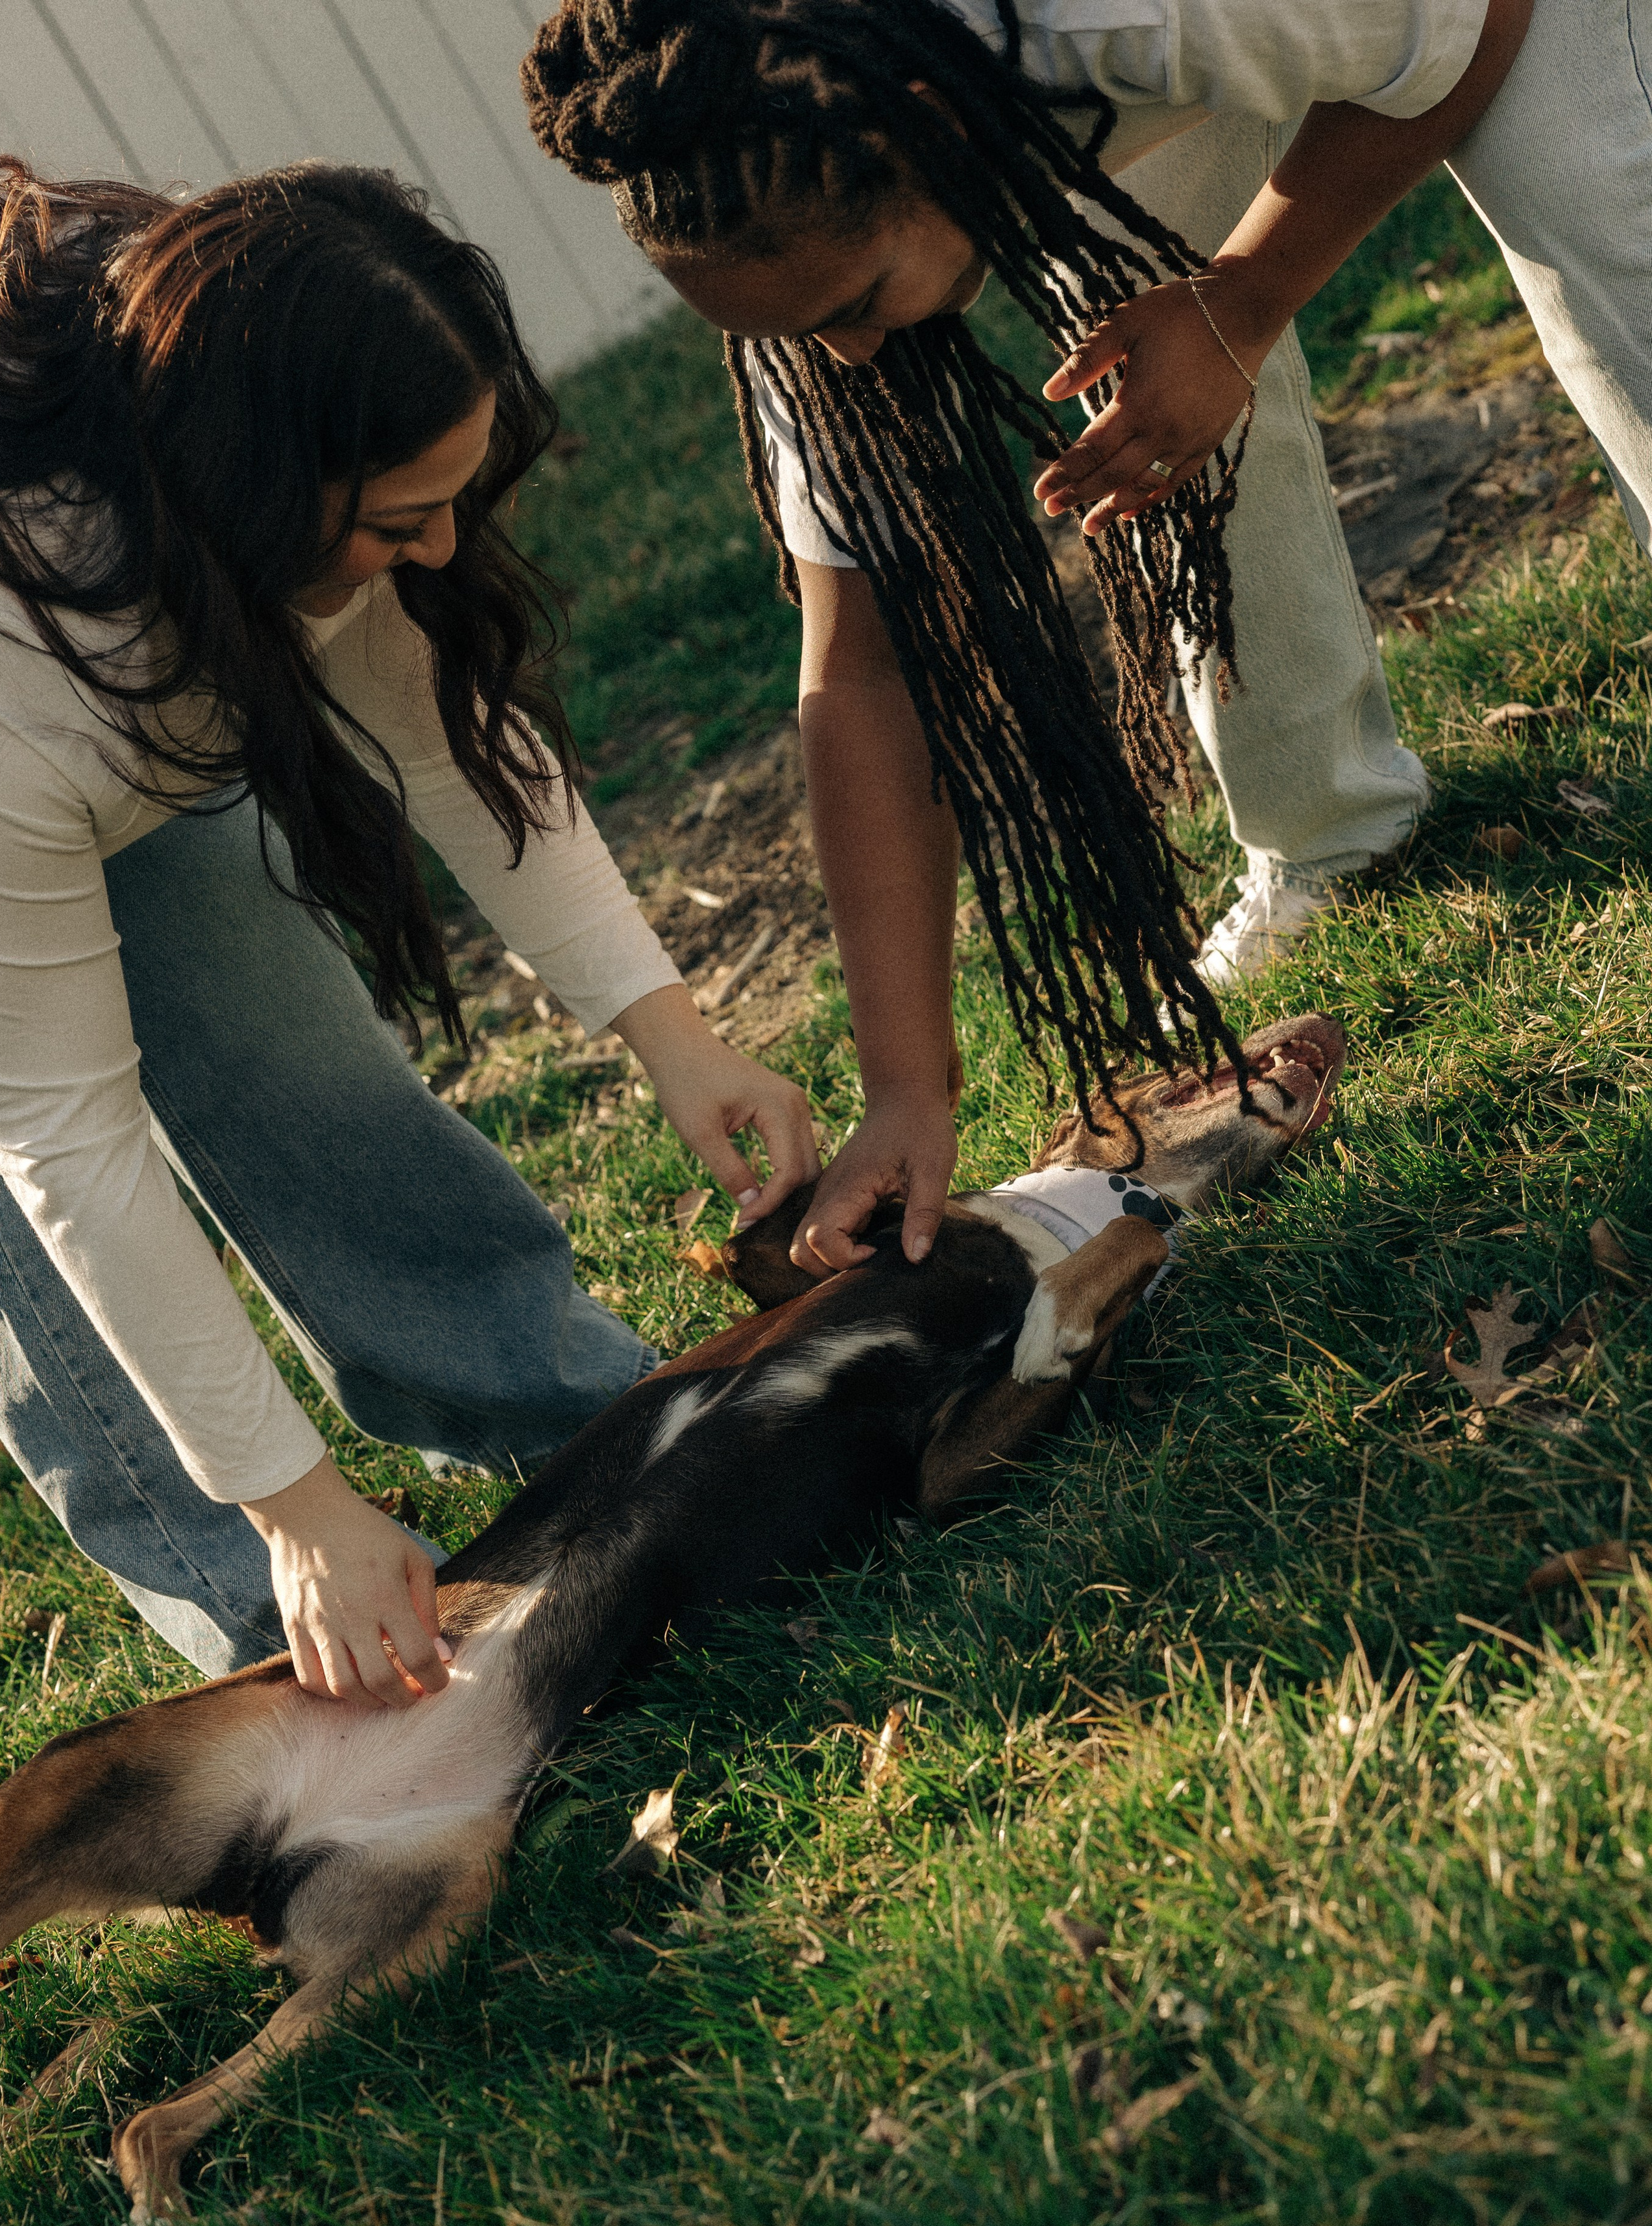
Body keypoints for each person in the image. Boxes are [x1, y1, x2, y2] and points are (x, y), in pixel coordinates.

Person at [522, 0, 1640, 1278]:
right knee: (1141, 374)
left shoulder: (1106, 11)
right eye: (788, 332)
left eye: (850, 301)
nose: (837, 349)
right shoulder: (774, 185)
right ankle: (1325, 828)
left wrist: (1244, 300)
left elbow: (1469, 15)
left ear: (935, 135)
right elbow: (863, 664)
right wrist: (903, 1087)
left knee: (1606, 237)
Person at [0, 158, 818, 1707]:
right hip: (12, 743)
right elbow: (71, 1145)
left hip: (102, 688)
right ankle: (278, 1625)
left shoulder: (229, 390)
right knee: (31, 1229)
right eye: (401, 520)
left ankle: (553, 1412)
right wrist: (290, 1504)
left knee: (278, 1028)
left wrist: (675, 1034)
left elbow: (449, 736)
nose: (442, 553)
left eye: (455, 501)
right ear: (255, 487)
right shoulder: (21, 691)